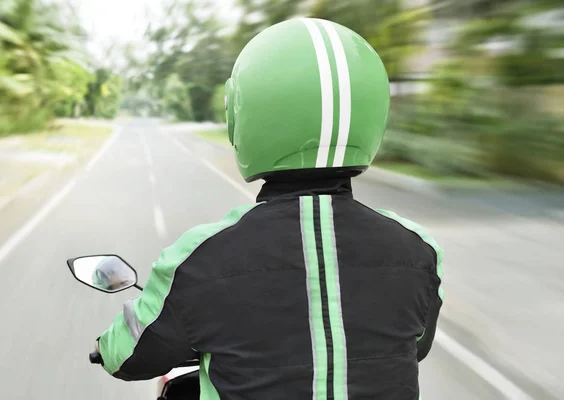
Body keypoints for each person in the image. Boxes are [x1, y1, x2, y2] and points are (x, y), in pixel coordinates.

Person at [93, 18, 443, 400]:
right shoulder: (417, 250)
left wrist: (105, 346)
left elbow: (127, 357)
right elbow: (417, 345)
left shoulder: (198, 258)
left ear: (243, 116)